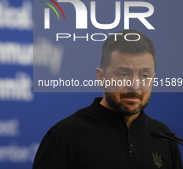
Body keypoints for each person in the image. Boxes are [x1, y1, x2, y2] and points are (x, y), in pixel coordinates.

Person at [32, 30, 182, 169]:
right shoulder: (65, 135)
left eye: (144, 76)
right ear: (101, 77)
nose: (135, 86)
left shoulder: (163, 136)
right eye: (124, 74)